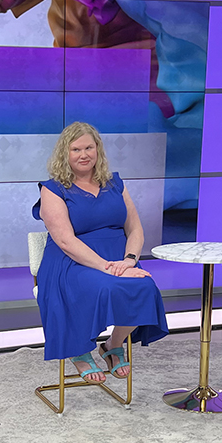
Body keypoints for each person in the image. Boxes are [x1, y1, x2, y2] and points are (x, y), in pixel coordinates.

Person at [32, 122, 168, 384]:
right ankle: (80, 351)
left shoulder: (114, 182)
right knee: (104, 287)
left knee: (146, 287)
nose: (84, 154)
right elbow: (66, 241)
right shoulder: (53, 188)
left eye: (89, 147)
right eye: (76, 149)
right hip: (70, 262)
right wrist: (107, 267)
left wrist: (129, 261)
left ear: (98, 150)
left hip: (118, 260)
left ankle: (112, 345)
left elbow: (135, 228)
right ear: (65, 153)